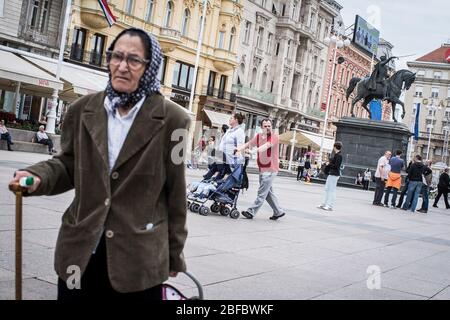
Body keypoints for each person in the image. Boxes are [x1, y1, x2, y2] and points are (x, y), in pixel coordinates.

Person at [9, 28, 190, 301]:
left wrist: (174, 253)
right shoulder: (82, 110)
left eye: (134, 60)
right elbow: (67, 163)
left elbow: (176, 190)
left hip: (138, 261)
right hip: (80, 253)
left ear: (150, 67)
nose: (122, 66)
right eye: (116, 56)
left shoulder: (174, 120)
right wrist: (36, 177)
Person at [238, 119, 285, 220]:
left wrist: (253, 151)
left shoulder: (274, 137)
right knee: (267, 192)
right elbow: (249, 143)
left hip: (271, 169)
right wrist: (239, 149)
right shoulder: (258, 136)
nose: (267, 128)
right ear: (261, 127)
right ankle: (278, 211)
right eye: (265, 126)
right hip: (263, 168)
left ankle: (251, 212)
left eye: (269, 126)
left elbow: (266, 146)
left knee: (262, 192)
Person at [318, 142, 343, 211]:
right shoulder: (337, 155)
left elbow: (336, 166)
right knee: (327, 189)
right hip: (332, 174)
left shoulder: (339, 155)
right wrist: (329, 163)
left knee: (331, 190)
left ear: (335, 147)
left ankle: (330, 205)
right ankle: (324, 203)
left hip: (334, 175)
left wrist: (329, 163)